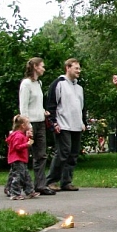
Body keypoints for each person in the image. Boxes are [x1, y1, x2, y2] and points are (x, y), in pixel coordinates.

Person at [45, 58, 86, 192]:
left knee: (73, 153)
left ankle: (66, 181)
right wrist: (53, 122)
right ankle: (51, 180)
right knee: (63, 152)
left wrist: (83, 122)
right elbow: (51, 104)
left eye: (79, 68)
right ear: (68, 68)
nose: (79, 71)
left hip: (76, 125)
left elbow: (81, 107)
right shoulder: (58, 84)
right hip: (63, 124)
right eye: (76, 68)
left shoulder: (79, 88)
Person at [18, 57, 54, 195]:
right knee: (22, 155)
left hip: (40, 121)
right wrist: (27, 126)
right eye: (42, 66)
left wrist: (42, 111)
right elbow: (24, 106)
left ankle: (40, 184)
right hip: (30, 123)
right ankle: (14, 184)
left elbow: (36, 103)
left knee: (41, 155)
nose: (44, 69)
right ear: (35, 67)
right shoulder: (26, 84)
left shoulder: (38, 83)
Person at [6, 115, 39, 200]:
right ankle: (15, 193)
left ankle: (30, 191)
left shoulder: (20, 135)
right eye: (28, 123)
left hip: (21, 159)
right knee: (18, 177)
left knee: (26, 176)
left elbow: (22, 141)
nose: (30, 125)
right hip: (17, 159)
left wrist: (27, 138)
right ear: (23, 125)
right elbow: (16, 147)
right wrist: (27, 145)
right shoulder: (18, 135)